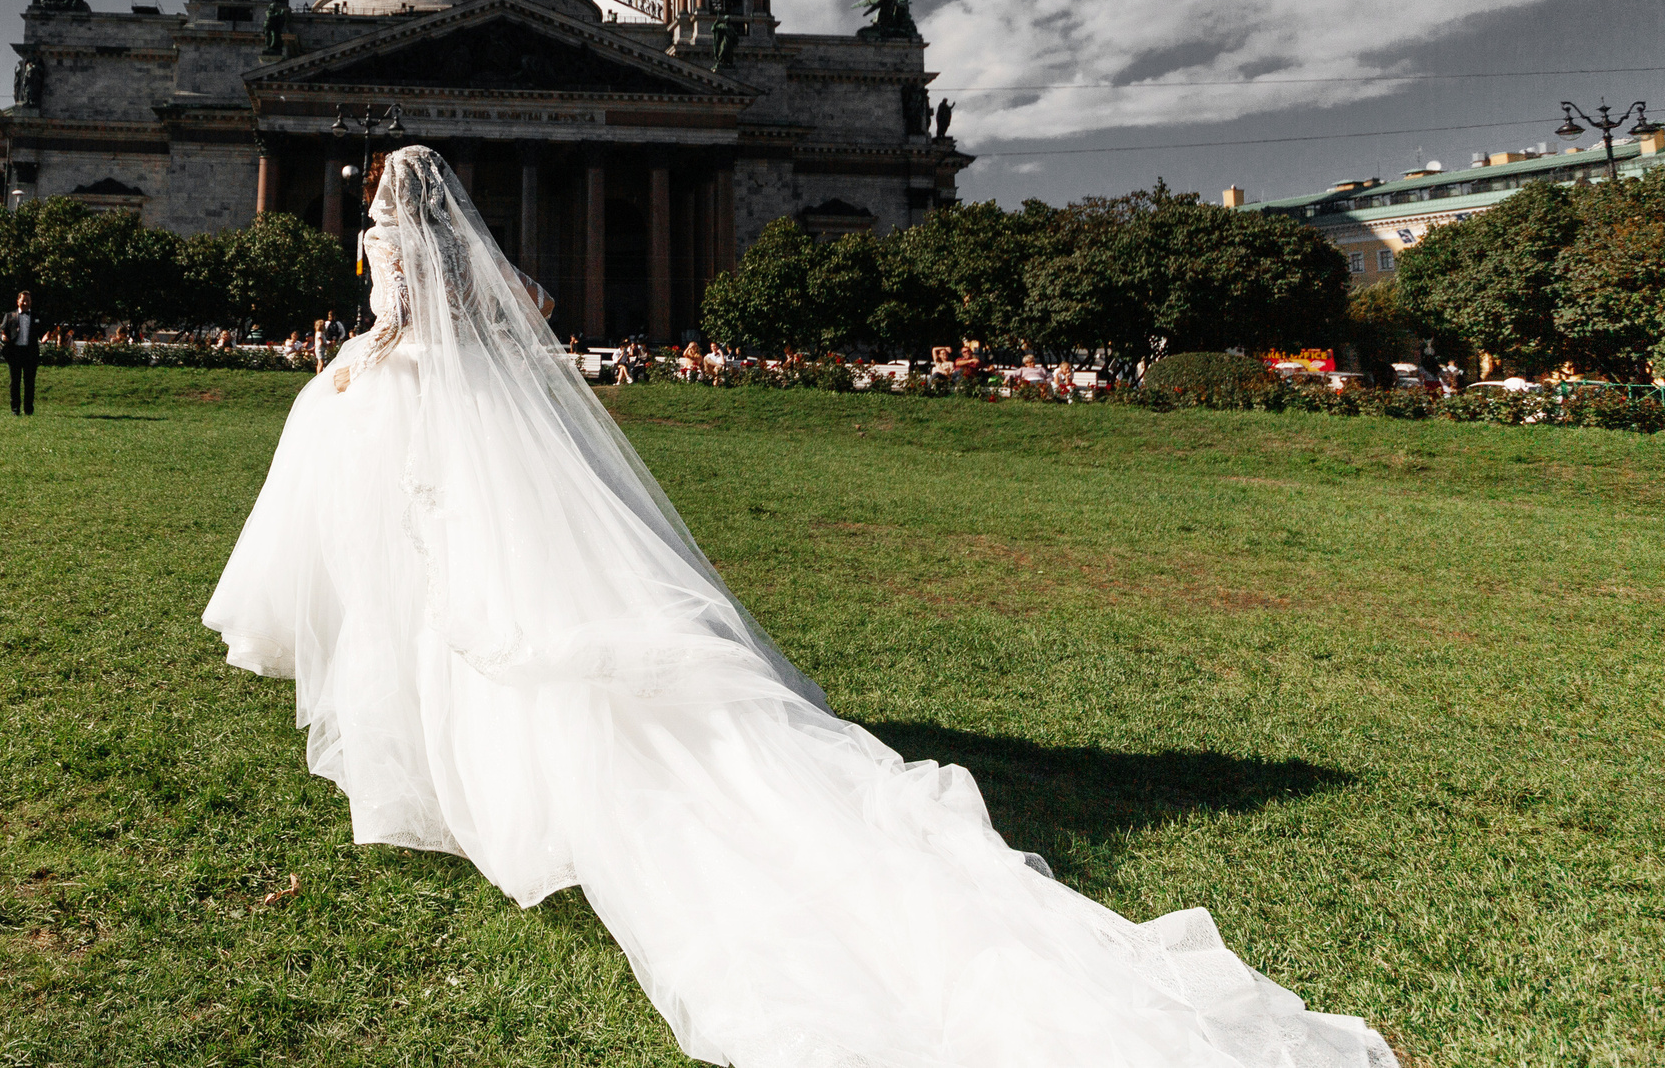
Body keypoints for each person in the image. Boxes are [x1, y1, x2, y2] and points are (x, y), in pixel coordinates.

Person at [202, 146, 1394, 1068]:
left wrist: (356, 361)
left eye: (376, 190)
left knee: (430, 576)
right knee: (478, 572)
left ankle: (451, 744)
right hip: (465, 416)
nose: (376, 198)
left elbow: (402, 318)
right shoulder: (478, 249)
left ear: (386, 200)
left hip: (410, 400)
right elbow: (530, 297)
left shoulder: (391, 241)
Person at [0, 290, 40, 417]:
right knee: (15, 382)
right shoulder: (10, 316)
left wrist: (45, 336)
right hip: (15, 352)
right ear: (18, 301)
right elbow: (1, 331)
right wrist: (3, 337)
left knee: (29, 382)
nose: (25, 303)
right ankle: (15, 409)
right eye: (23, 300)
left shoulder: (35, 317)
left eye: (28, 300)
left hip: (30, 353)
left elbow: (43, 330)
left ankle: (28, 410)